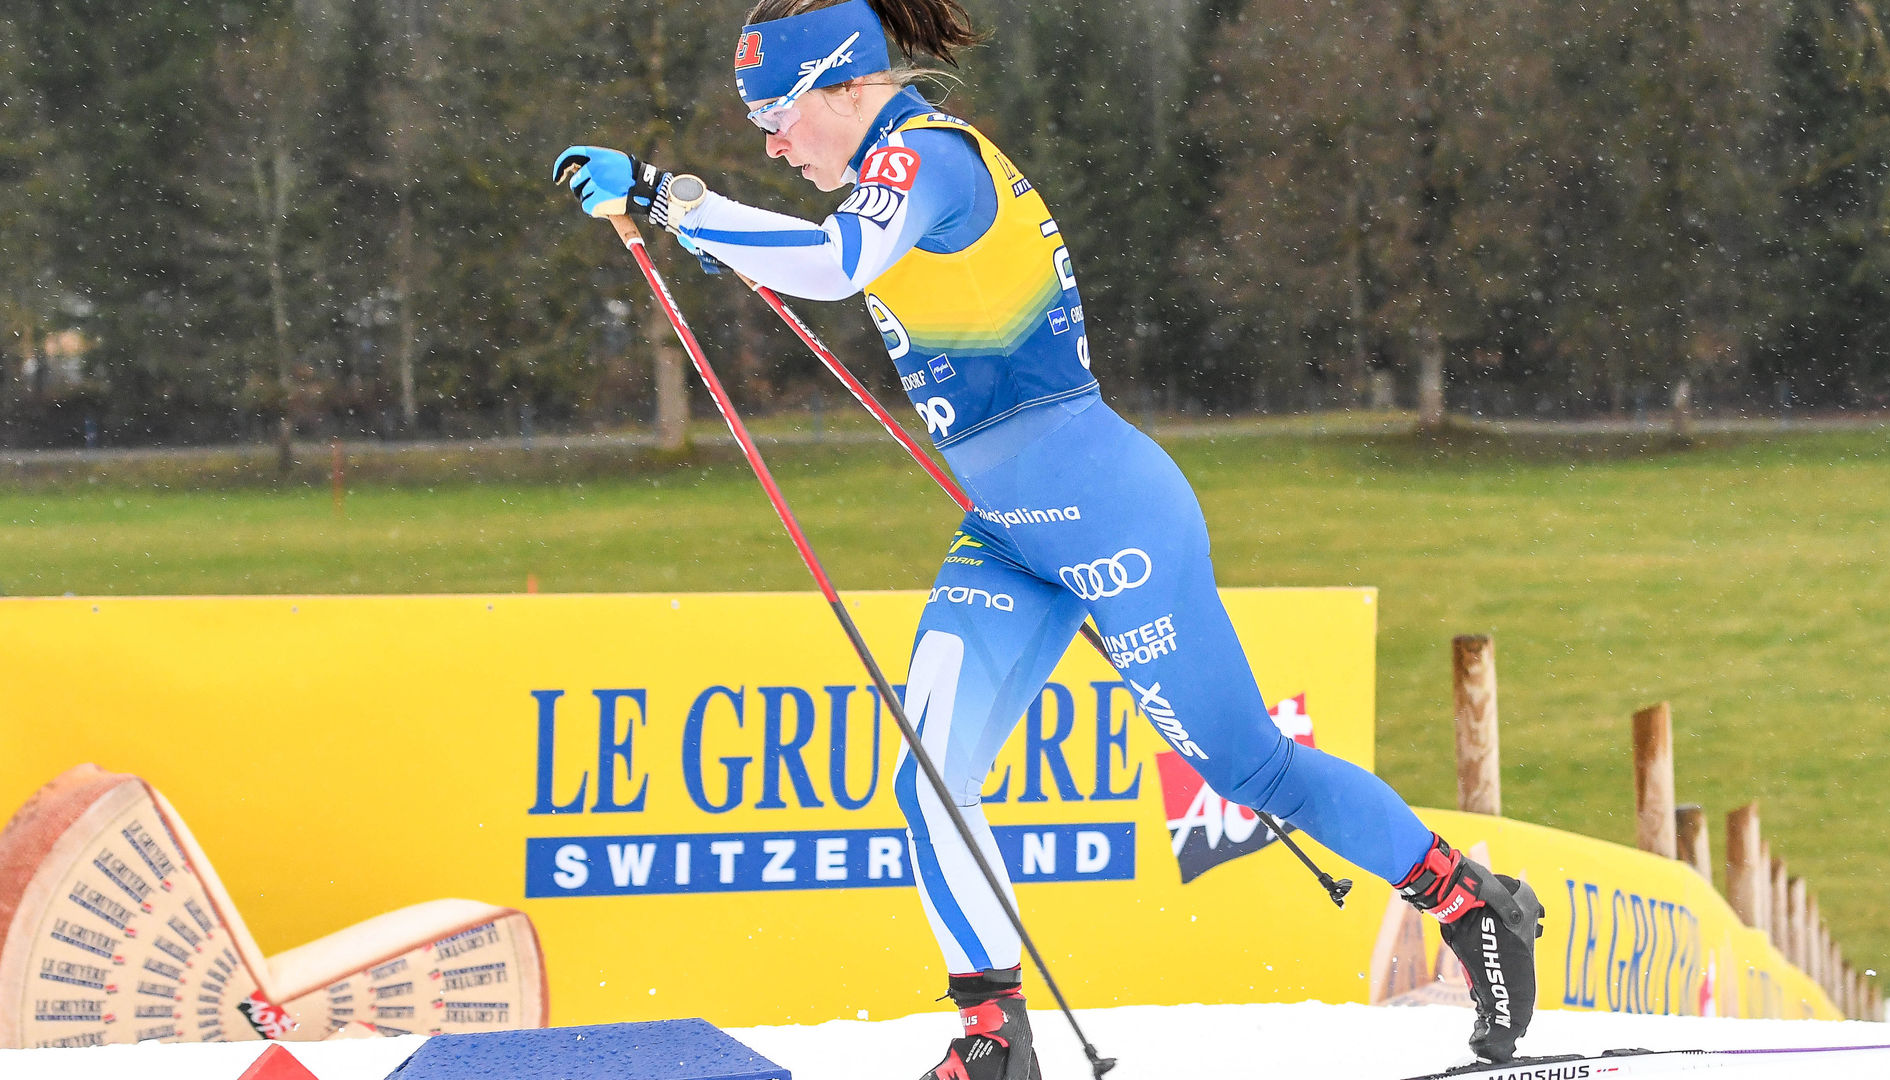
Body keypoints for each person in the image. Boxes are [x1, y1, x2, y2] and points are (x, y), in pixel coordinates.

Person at [553, 1, 1543, 1075]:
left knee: (1250, 768)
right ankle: (993, 1040)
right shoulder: (890, 169)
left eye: (776, 117)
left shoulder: (929, 156)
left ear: (844, 85)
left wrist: (666, 197)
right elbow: (829, 255)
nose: (773, 145)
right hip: (1010, 537)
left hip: (1112, 517)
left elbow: (837, 263)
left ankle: (1467, 901)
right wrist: (688, 217)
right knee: (933, 775)